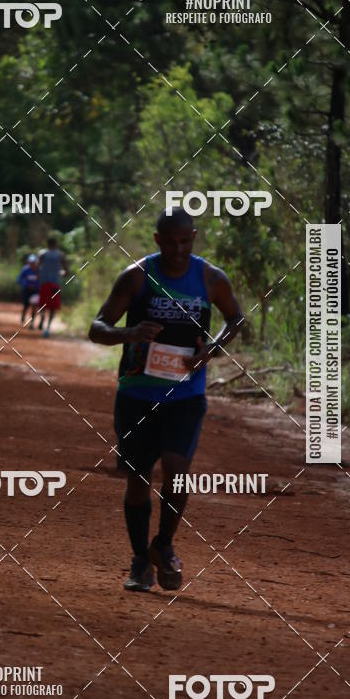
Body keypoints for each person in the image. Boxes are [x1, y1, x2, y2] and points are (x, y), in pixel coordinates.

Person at [88, 207, 243, 593]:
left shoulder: (210, 278)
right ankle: (141, 560)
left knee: (176, 471)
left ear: (194, 237)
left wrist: (212, 348)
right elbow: (97, 327)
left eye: (185, 242)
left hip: (185, 395)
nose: (178, 250)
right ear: (157, 241)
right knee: (139, 480)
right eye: (170, 243)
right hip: (137, 395)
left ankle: (165, 545)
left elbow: (235, 318)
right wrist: (129, 334)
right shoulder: (138, 276)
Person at [38, 237, 69, 338]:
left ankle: (42, 317)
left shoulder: (42, 254)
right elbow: (66, 271)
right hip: (55, 283)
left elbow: (37, 267)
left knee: (43, 303)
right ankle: (48, 327)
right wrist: (62, 273)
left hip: (44, 283)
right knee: (53, 307)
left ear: (47, 244)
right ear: (56, 244)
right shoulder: (60, 255)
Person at [17, 254, 40, 327]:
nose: (32, 264)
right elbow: (19, 279)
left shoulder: (39, 270)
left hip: (35, 291)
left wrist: (36, 286)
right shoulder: (25, 269)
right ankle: (23, 316)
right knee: (26, 305)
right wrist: (27, 285)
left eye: (33, 262)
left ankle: (32, 322)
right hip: (26, 290)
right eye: (31, 262)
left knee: (34, 306)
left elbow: (42, 280)